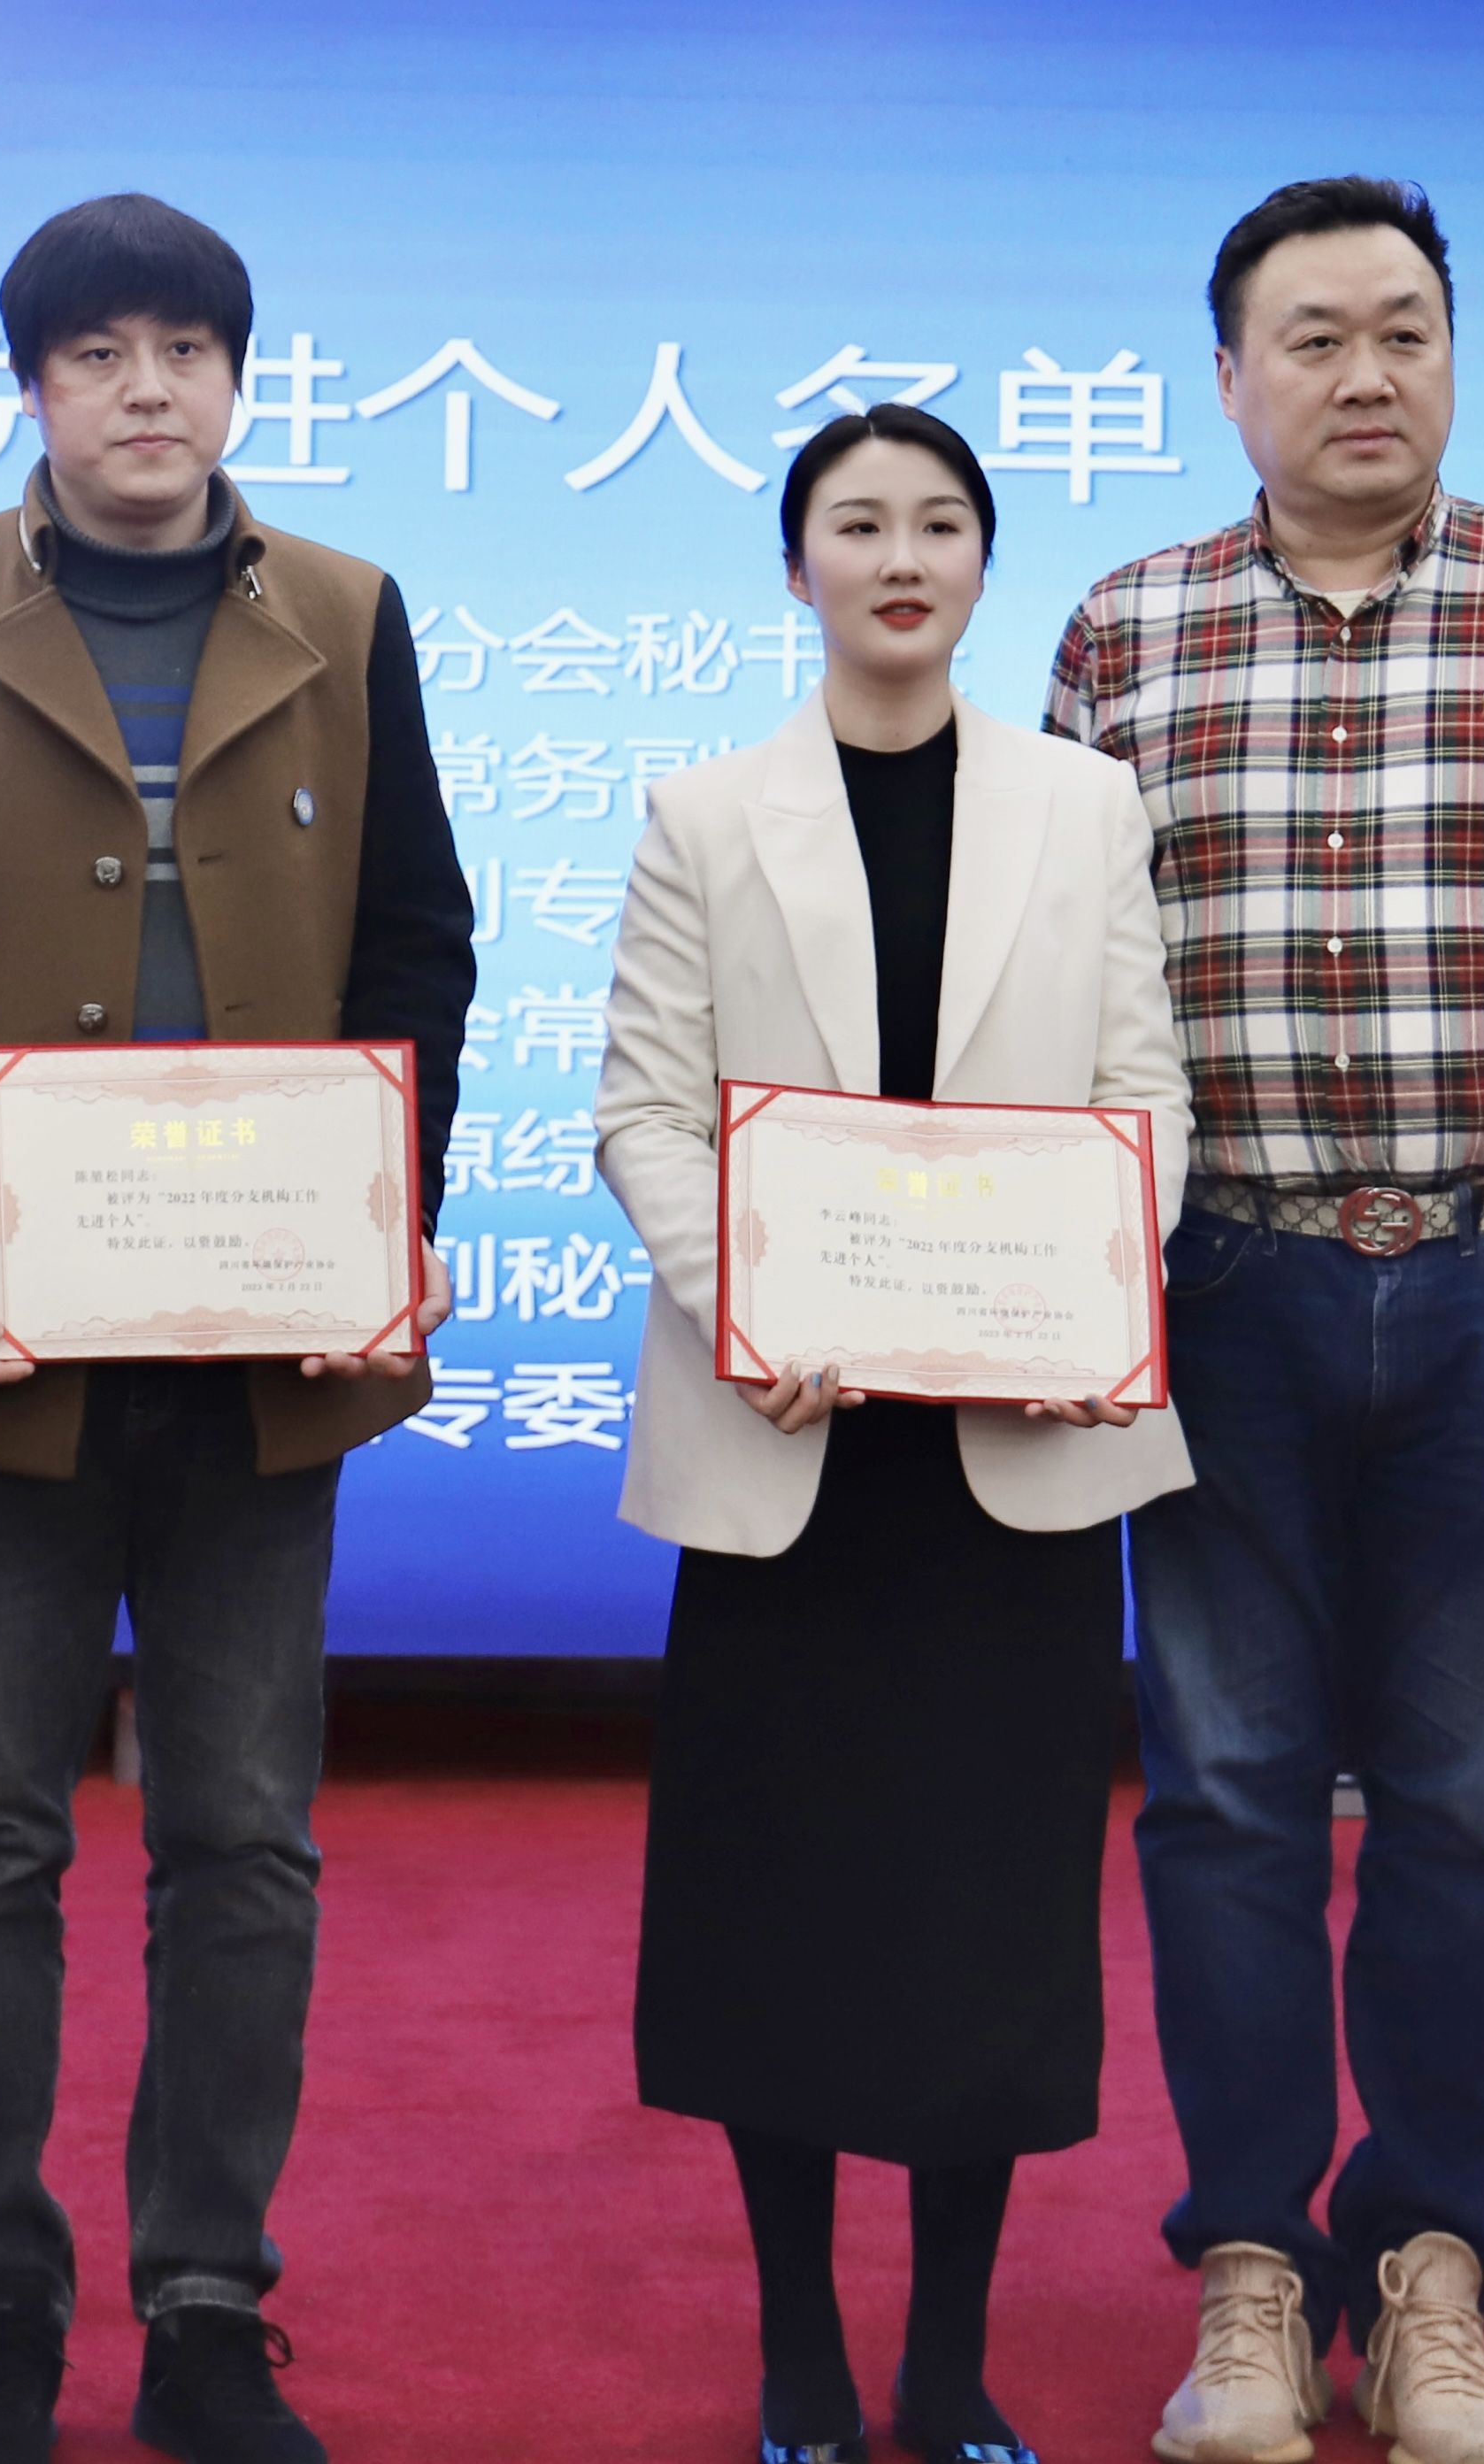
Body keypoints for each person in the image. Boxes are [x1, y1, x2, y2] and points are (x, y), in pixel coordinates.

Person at [1043, 179, 1484, 2464]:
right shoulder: (1126, 630)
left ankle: (1432, 2265)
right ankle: (1253, 2274)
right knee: (1224, 1803)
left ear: (1451, 354)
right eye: (1316, 337)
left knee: (1468, 1816)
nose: (1367, 374)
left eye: (1406, 330)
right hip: (1218, 1292)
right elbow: (1048, 988)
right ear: (1226, 378)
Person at [0, 194, 473, 2464]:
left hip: (269, 1342)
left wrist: (386, 1214)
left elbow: (419, 946)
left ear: (240, 379)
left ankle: (201, 2308)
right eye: (98, 354)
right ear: (34, 386)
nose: (146, 389)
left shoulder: (348, 613)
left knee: (242, 1836)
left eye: (185, 348)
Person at [594, 403, 1196, 2464]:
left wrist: (1088, 1298)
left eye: (940, 522)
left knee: (984, 1923)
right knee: (779, 1913)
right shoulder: (705, 813)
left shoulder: (1084, 808)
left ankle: (946, 2360)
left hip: (1010, 1462)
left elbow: (1143, 1099)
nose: (900, 557)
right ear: (797, 568)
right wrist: (743, 1306)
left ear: (980, 563)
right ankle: (797, 2348)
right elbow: (643, 1115)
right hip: (791, 1453)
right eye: (857, 524)